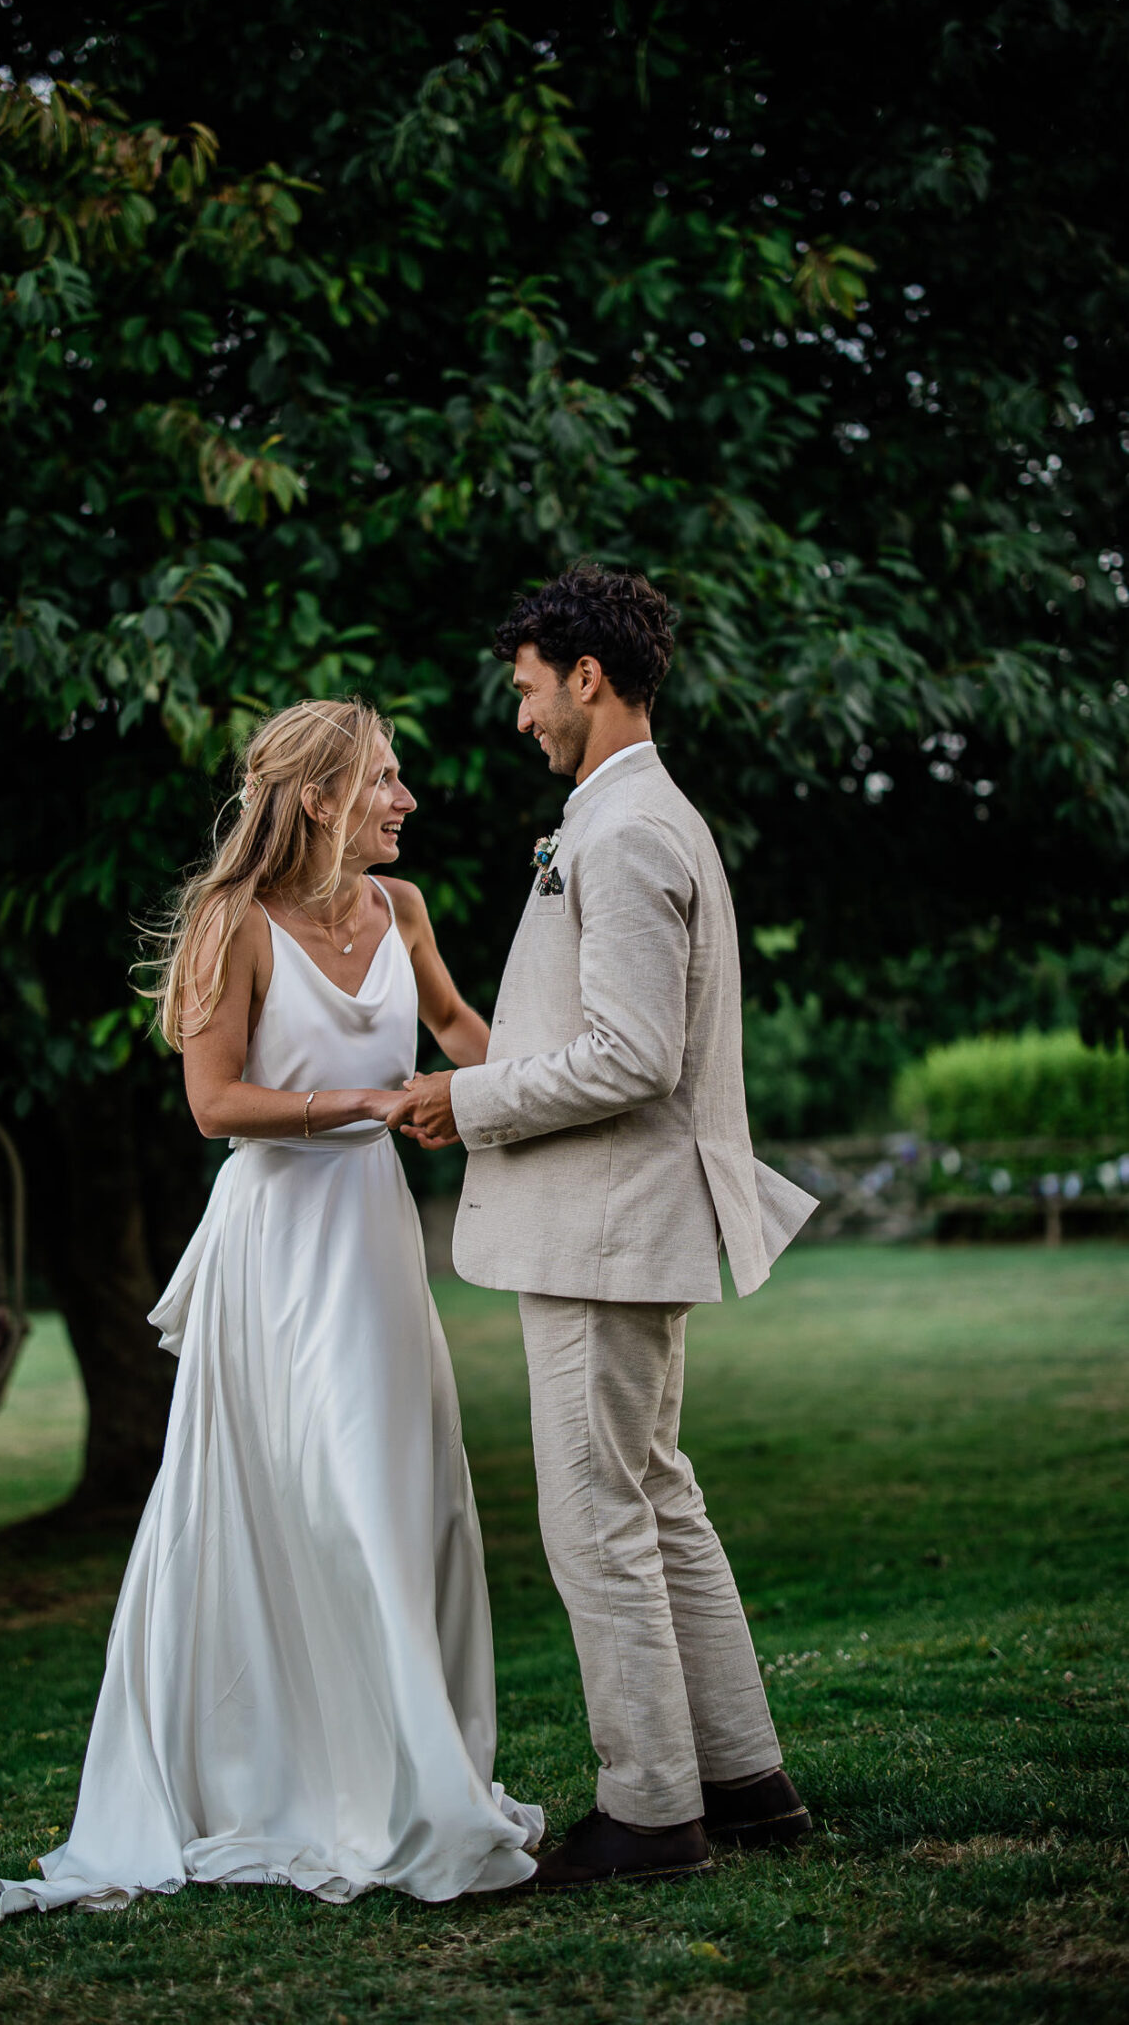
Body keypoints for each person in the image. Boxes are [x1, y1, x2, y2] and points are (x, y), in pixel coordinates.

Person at [0, 698, 542, 1916]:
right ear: (316, 797)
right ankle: (314, 1781)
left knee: (403, 1497)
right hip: (279, 1244)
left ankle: (416, 1775)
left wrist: (539, 1097)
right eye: (386, 780)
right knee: (325, 1498)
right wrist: (361, 1106)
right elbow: (214, 1104)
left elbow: (460, 1031)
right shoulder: (229, 922)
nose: (405, 800)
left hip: (378, 1240)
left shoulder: (403, 909)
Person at [388, 563, 819, 1891]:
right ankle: (744, 1783)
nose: (518, 717)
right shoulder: (629, 816)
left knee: (597, 1520)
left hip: (608, 1231)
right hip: (620, 1227)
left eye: (526, 689)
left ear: (585, 674)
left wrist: (467, 1102)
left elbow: (630, 1055)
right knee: (658, 1497)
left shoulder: (625, 832)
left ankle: (648, 1813)